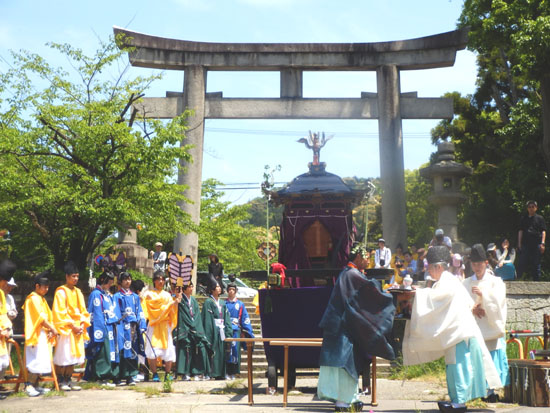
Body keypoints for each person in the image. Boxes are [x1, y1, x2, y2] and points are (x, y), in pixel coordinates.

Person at [399, 246, 501, 413]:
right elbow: (463, 301)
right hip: (456, 332)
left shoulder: (447, 281)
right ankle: (455, 400)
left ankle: (460, 402)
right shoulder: (449, 280)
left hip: (459, 333)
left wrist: (418, 293)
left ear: (438, 267)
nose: (428, 271)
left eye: (430, 267)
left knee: (459, 367)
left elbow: (435, 299)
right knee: (452, 366)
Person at [317, 243, 396, 413]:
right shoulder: (352, 274)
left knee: (344, 364)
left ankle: (348, 400)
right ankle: (344, 402)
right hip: (342, 328)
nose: (368, 260)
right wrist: (389, 297)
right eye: (367, 257)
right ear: (358, 257)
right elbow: (369, 292)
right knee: (345, 364)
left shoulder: (348, 273)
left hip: (339, 326)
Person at [462, 244, 509, 402]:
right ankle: (476, 390)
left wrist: (485, 296)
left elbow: (499, 300)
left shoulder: (495, 281)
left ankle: (491, 391)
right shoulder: (466, 283)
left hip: (489, 325)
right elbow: (461, 304)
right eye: (474, 264)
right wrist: (472, 309)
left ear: (486, 263)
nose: (477, 267)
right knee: (476, 359)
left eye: (479, 264)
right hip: (475, 325)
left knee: (491, 357)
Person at [52, 261, 91, 392]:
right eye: (73, 276)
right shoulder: (61, 292)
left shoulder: (78, 292)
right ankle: (59, 379)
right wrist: (72, 325)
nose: (75, 279)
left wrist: (81, 324)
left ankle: (68, 380)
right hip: (66, 329)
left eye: (77, 276)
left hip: (77, 328)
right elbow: (60, 312)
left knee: (73, 357)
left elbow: (83, 311)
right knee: (64, 355)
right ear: (67, 276)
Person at [22, 271, 57, 397]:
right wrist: (52, 328)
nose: (47, 289)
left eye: (48, 287)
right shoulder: (33, 298)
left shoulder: (41, 299)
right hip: (35, 334)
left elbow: (48, 316)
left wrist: (49, 329)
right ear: (37, 286)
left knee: (41, 359)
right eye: (44, 286)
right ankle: (28, 385)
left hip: (42, 333)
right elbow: (41, 318)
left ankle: (36, 384)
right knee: (35, 360)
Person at [142, 270, 179, 382]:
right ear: (154, 281)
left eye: (162, 279)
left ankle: (168, 373)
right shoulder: (149, 294)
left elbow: (171, 310)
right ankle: (154, 374)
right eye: (158, 279)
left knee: (168, 350)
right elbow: (152, 309)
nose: (160, 281)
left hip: (165, 326)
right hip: (153, 325)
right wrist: (170, 304)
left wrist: (176, 303)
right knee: (152, 350)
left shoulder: (167, 295)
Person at [84, 270, 119, 386]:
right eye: (108, 283)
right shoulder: (96, 294)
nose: (110, 286)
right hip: (100, 327)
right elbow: (97, 313)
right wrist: (101, 329)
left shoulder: (106, 295)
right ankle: (101, 377)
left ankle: (104, 376)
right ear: (103, 281)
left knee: (107, 352)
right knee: (101, 352)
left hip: (108, 325)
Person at [113, 272, 146, 386]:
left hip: (133, 326)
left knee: (133, 350)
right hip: (122, 326)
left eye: (129, 279)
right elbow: (116, 312)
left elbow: (140, 311)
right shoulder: (117, 296)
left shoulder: (135, 297)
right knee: (122, 350)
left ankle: (131, 375)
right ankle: (119, 375)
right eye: (125, 279)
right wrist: (118, 324)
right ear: (121, 282)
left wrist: (142, 325)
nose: (127, 281)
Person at [174, 281, 210, 381]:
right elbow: (182, 314)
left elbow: (197, 315)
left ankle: (196, 372)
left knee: (198, 348)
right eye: (189, 286)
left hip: (195, 327)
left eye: (192, 286)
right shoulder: (181, 300)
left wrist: (197, 327)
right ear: (184, 289)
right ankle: (184, 372)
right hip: (184, 327)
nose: (191, 288)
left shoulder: (193, 300)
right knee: (185, 349)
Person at [201, 276, 232, 380]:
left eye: (220, 286)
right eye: (217, 286)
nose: (219, 288)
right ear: (212, 289)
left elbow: (227, 317)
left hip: (222, 329)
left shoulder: (223, 303)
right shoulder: (208, 302)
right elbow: (207, 320)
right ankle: (212, 372)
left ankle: (221, 373)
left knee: (222, 351)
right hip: (213, 329)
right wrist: (209, 333)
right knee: (214, 351)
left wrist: (228, 331)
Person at [225, 282, 254, 380]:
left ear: (236, 291)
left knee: (235, 351)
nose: (231, 291)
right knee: (227, 351)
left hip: (236, 330)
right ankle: (226, 372)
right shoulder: (224, 304)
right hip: (226, 330)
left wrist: (248, 331)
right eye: (229, 289)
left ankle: (234, 372)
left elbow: (245, 318)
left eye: (233, 289)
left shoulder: (240, 304)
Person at [517, 200, 546, 281]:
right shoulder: (523, 219)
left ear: (536, 208)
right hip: (525, 244)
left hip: (536, 244)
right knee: (522, 262)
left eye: (533, 207)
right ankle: (519, 280)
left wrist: (543, 243)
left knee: (536, 264)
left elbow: (543, 231)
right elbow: (520, 231)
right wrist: (519, 244)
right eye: (529, 207)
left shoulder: (540, 218)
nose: (531, 208)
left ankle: (537, 282)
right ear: (527, 208)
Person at [0, 260, 15, 400]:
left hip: (2, 335)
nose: (6, 285)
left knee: (2, 362)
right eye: (5, 282)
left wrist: (6, 327)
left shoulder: (2, 295)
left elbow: (3, 315)